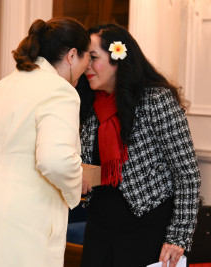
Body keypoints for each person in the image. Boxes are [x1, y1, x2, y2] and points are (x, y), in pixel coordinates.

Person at [0, 17, 91, 267]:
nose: (87, 69)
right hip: (16, 223)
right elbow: (54, 160)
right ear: (72, 55)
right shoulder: (60, 91)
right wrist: (76, 184)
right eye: (88, 58)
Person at [76, 23, 201, 267]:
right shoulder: (90, 105)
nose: (86, 67)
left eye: (93, 58)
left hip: (147, 233)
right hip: (99, 230)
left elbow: (187, 174)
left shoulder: (156, 100)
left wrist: (178, 237)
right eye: (84, 59)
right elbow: (90, 165)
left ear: (118, 58)